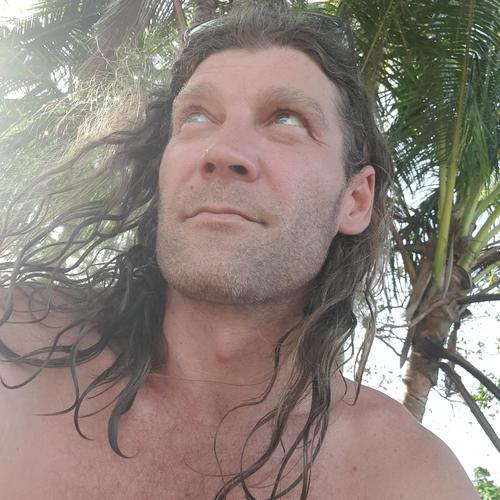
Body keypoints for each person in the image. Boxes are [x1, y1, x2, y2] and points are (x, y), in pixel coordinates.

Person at [0, 5, 479, 500]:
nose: (223, 151)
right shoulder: (18, 361)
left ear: (355, 200)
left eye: (286, 119)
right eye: (197, 116)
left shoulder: (408, 479)